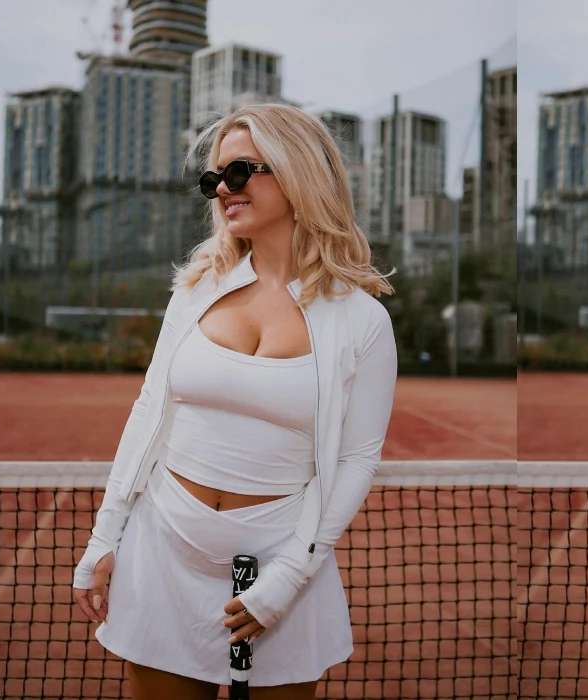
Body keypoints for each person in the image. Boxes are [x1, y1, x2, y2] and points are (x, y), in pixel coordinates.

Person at [70, 103, 398, 700]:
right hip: (164, 548)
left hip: (281, 563)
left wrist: (291, 574)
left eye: (241, 171)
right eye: (214, 177)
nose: (223, 188)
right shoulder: (196, 290)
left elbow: (356, 459)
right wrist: (105, 536)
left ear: (298, 173)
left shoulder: (362, 320)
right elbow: (149, 410)